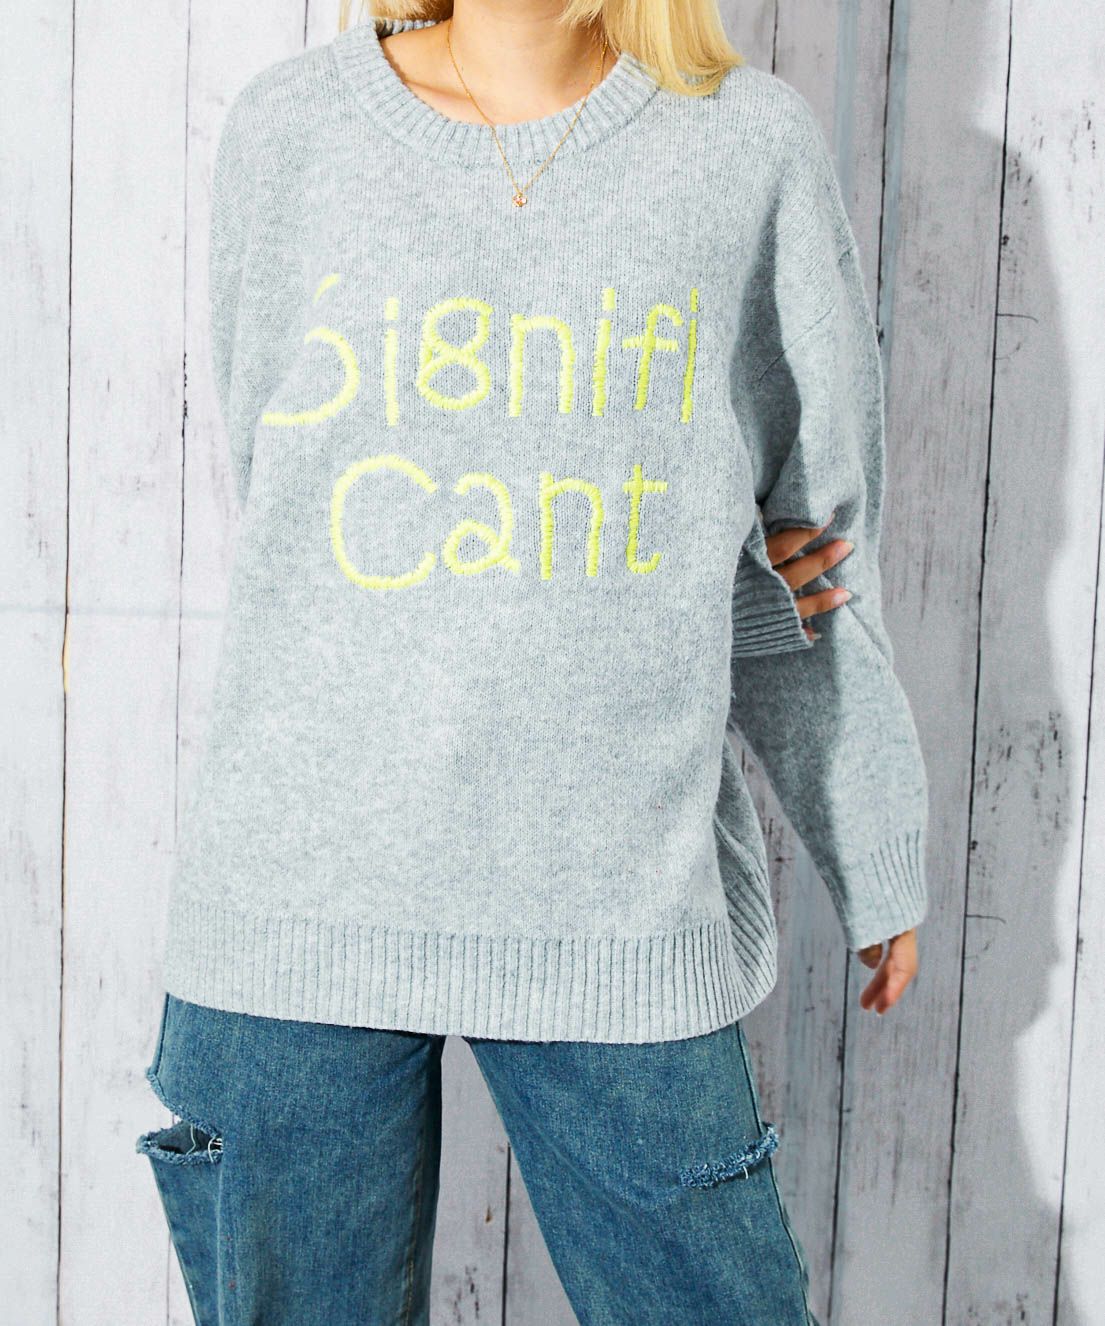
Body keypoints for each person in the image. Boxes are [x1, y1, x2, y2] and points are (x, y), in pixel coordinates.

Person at [135, 2, 930, 1322]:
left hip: (622, 906)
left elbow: (816, 540)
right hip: (291, 900)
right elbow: (289, 509)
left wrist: (872, 828)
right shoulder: (290, 133)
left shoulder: (746, 151)